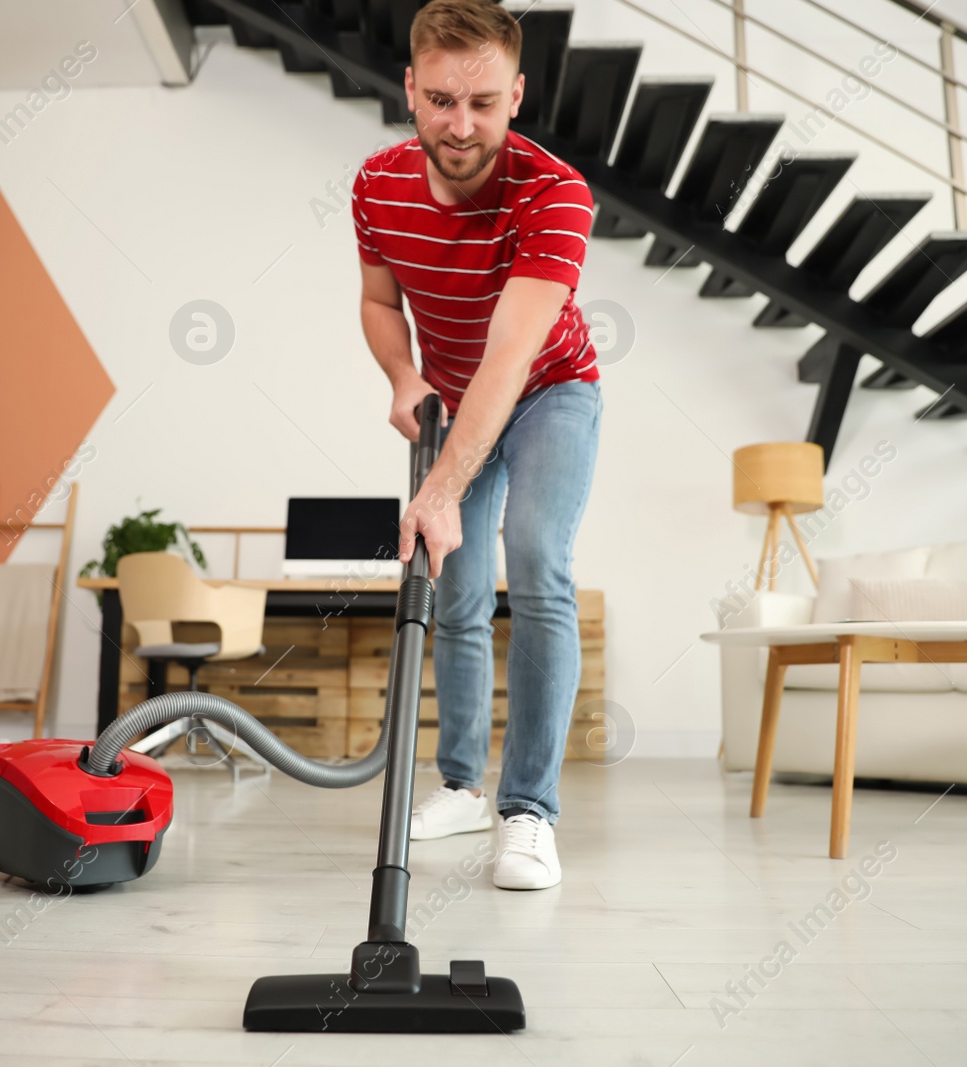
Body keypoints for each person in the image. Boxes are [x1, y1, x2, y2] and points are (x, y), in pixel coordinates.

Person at [351, 0, 602, 890]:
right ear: (411, 88)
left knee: (534, 561)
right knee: (455, 590)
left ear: (517, 96)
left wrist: (443, 485)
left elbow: (510, 352)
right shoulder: (377, 186)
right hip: (451, 402)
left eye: (485, 104)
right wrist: (401, 376)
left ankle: (527, 811)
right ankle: (461, 786)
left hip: (549, 394)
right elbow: (382, 305)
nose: (463, 127)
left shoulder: (556, 194)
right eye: (444, 101)